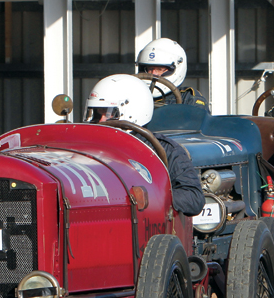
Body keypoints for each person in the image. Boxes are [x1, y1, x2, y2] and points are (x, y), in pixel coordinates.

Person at [84, 74, 204, 217]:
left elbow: (194, 197)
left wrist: (151, 197)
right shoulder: (83, 147)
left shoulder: (164, 150)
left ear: (132, 110)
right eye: (97, 114)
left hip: (147, 228)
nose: (101, 121)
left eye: (109, 113)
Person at [136, 38, 209, 110]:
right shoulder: (134, 96)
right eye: (150, 69)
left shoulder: (188, 99)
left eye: (160, 69)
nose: (153, 74)